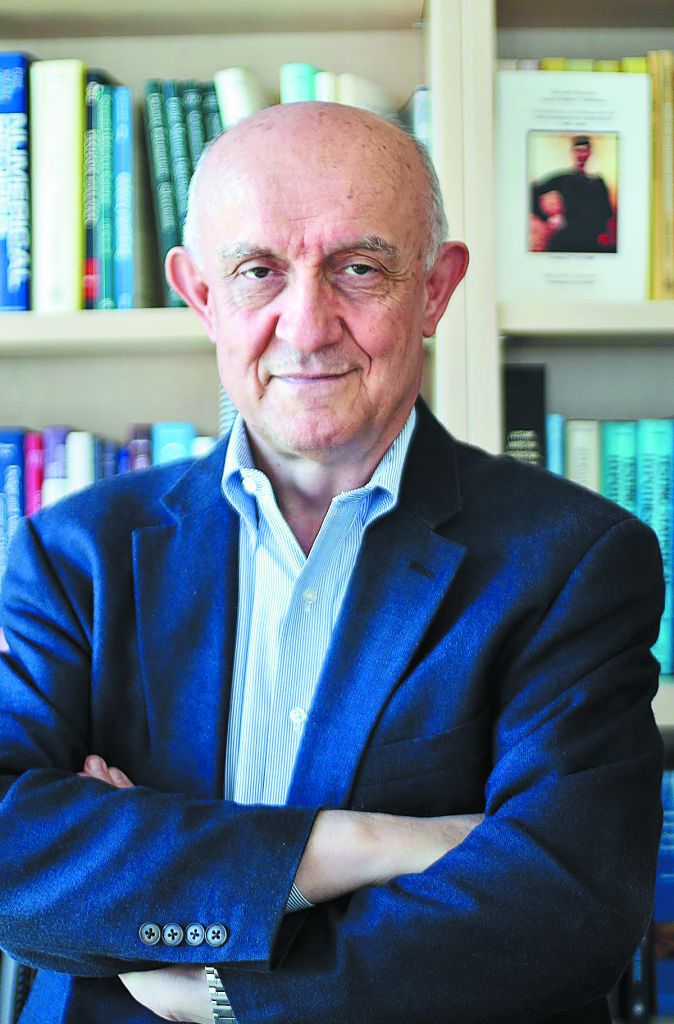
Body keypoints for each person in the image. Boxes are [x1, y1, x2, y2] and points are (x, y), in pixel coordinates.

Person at [0, 102, 664, 1024]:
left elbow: (569, 903)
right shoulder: (74, 554)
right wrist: (356, 846)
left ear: (435, 290)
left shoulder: (573, 561)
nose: (307, 327)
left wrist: (222, 990)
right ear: (200, 294)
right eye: (257, 272)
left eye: (359, 268)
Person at [531, 135, 615, 252]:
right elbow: (532, 193)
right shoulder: (564, 178)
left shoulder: (599, 182)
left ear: (589, 153)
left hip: (592, 242)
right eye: (578, 150)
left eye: (584, 150)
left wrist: (603, 233)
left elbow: (607, 213)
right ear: (573, 153)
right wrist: (547, 218)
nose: (581, 155)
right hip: (567, 239)